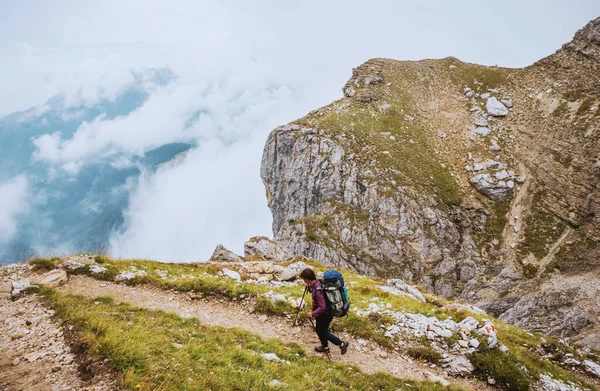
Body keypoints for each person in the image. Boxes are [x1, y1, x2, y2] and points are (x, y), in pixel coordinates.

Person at [300, 268, 349, 354]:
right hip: (323, 314)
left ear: (307, 279)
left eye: (304, 279)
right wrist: (310, 288)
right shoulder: (317, 282)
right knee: (319, 330)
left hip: (325, 314)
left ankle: (341, 344)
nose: (304, 281)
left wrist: (312, 314)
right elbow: (315, 291)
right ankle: (325, 347)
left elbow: (322, 307)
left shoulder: (318, 290)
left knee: (323, 331)